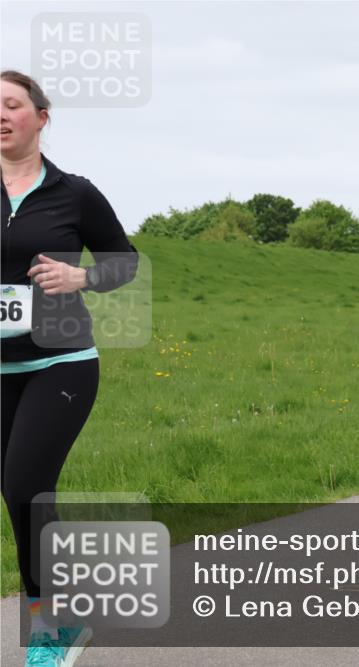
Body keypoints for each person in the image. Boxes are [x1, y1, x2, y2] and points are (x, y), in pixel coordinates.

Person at [1, 70, 138, 666]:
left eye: (10, 104)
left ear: (41, 117)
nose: (0, 115)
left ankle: (50, 630)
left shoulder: (73, 192)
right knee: (24, 495)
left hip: (61, 363)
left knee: (24, 487)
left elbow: (126, 263)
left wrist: (80, 276)